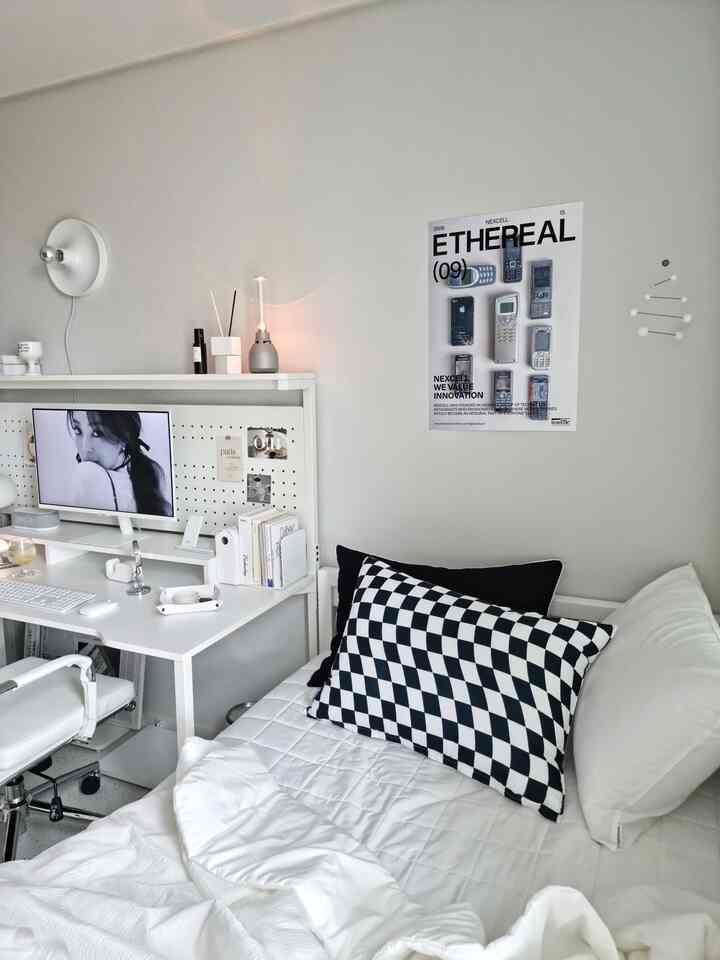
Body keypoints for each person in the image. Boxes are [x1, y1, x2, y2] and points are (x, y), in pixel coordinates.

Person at [67, 410, 172, 517]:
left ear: (124, 436)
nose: (85, 447)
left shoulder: (149, 472)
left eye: (97, 433)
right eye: (78, 430)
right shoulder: (149, 469)